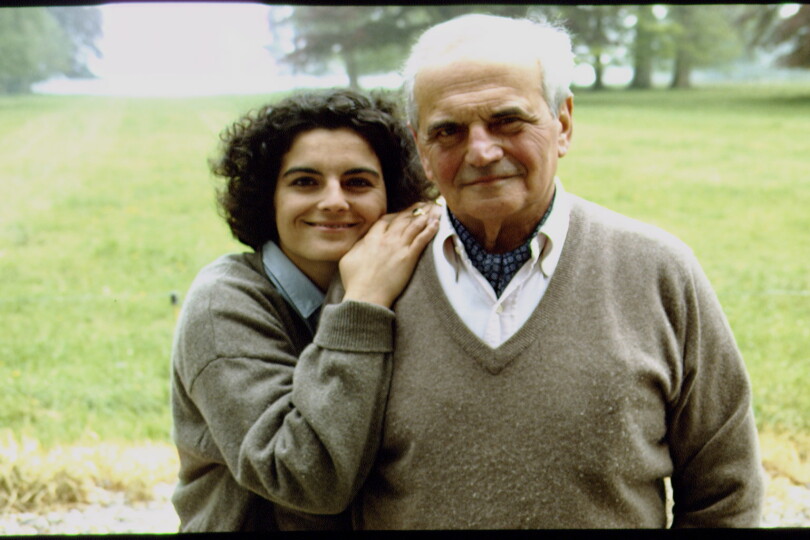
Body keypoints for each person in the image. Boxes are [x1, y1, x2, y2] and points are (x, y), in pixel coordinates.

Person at [350, 14, 764, 529]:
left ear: (563, 123)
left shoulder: (659, 270)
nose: (481, 150)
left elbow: (727, 491)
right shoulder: (370, 280)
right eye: (449, 131)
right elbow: (324, 488)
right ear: (422, 150)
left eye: (507, 120)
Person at [170, 89, 439, 531]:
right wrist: (363, 303)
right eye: (304, 182)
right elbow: (307, 478)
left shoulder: (406, 282)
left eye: (358, 182)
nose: (334, 200)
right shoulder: (223, 303)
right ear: (268, 197)